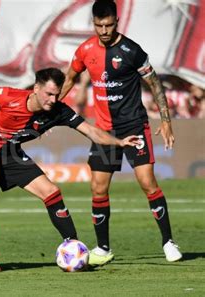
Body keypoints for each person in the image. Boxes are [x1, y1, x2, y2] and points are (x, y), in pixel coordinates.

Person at [0, 67, 140, 272]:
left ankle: (73, 247)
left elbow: (91, 131)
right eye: (48, 94)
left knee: (52, 192)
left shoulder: (59, 111)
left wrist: (119, 142)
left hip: (10, 152)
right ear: (36, 88)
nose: (52, 99)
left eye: (56, 94)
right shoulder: (9, 96)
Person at [59, 0, 182, 266]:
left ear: (117, 21)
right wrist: (49, 110)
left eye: (108, 25)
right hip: (103, 130)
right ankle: (103, 248)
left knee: (147, 183)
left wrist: (166, 119)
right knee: (98, 188)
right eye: (98, 25)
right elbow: (69, 78)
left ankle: (168, 242)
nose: (103, 30)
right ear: (93, 23)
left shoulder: (131, 50)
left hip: (134, 125)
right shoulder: (85, 50)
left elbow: (154, 82)